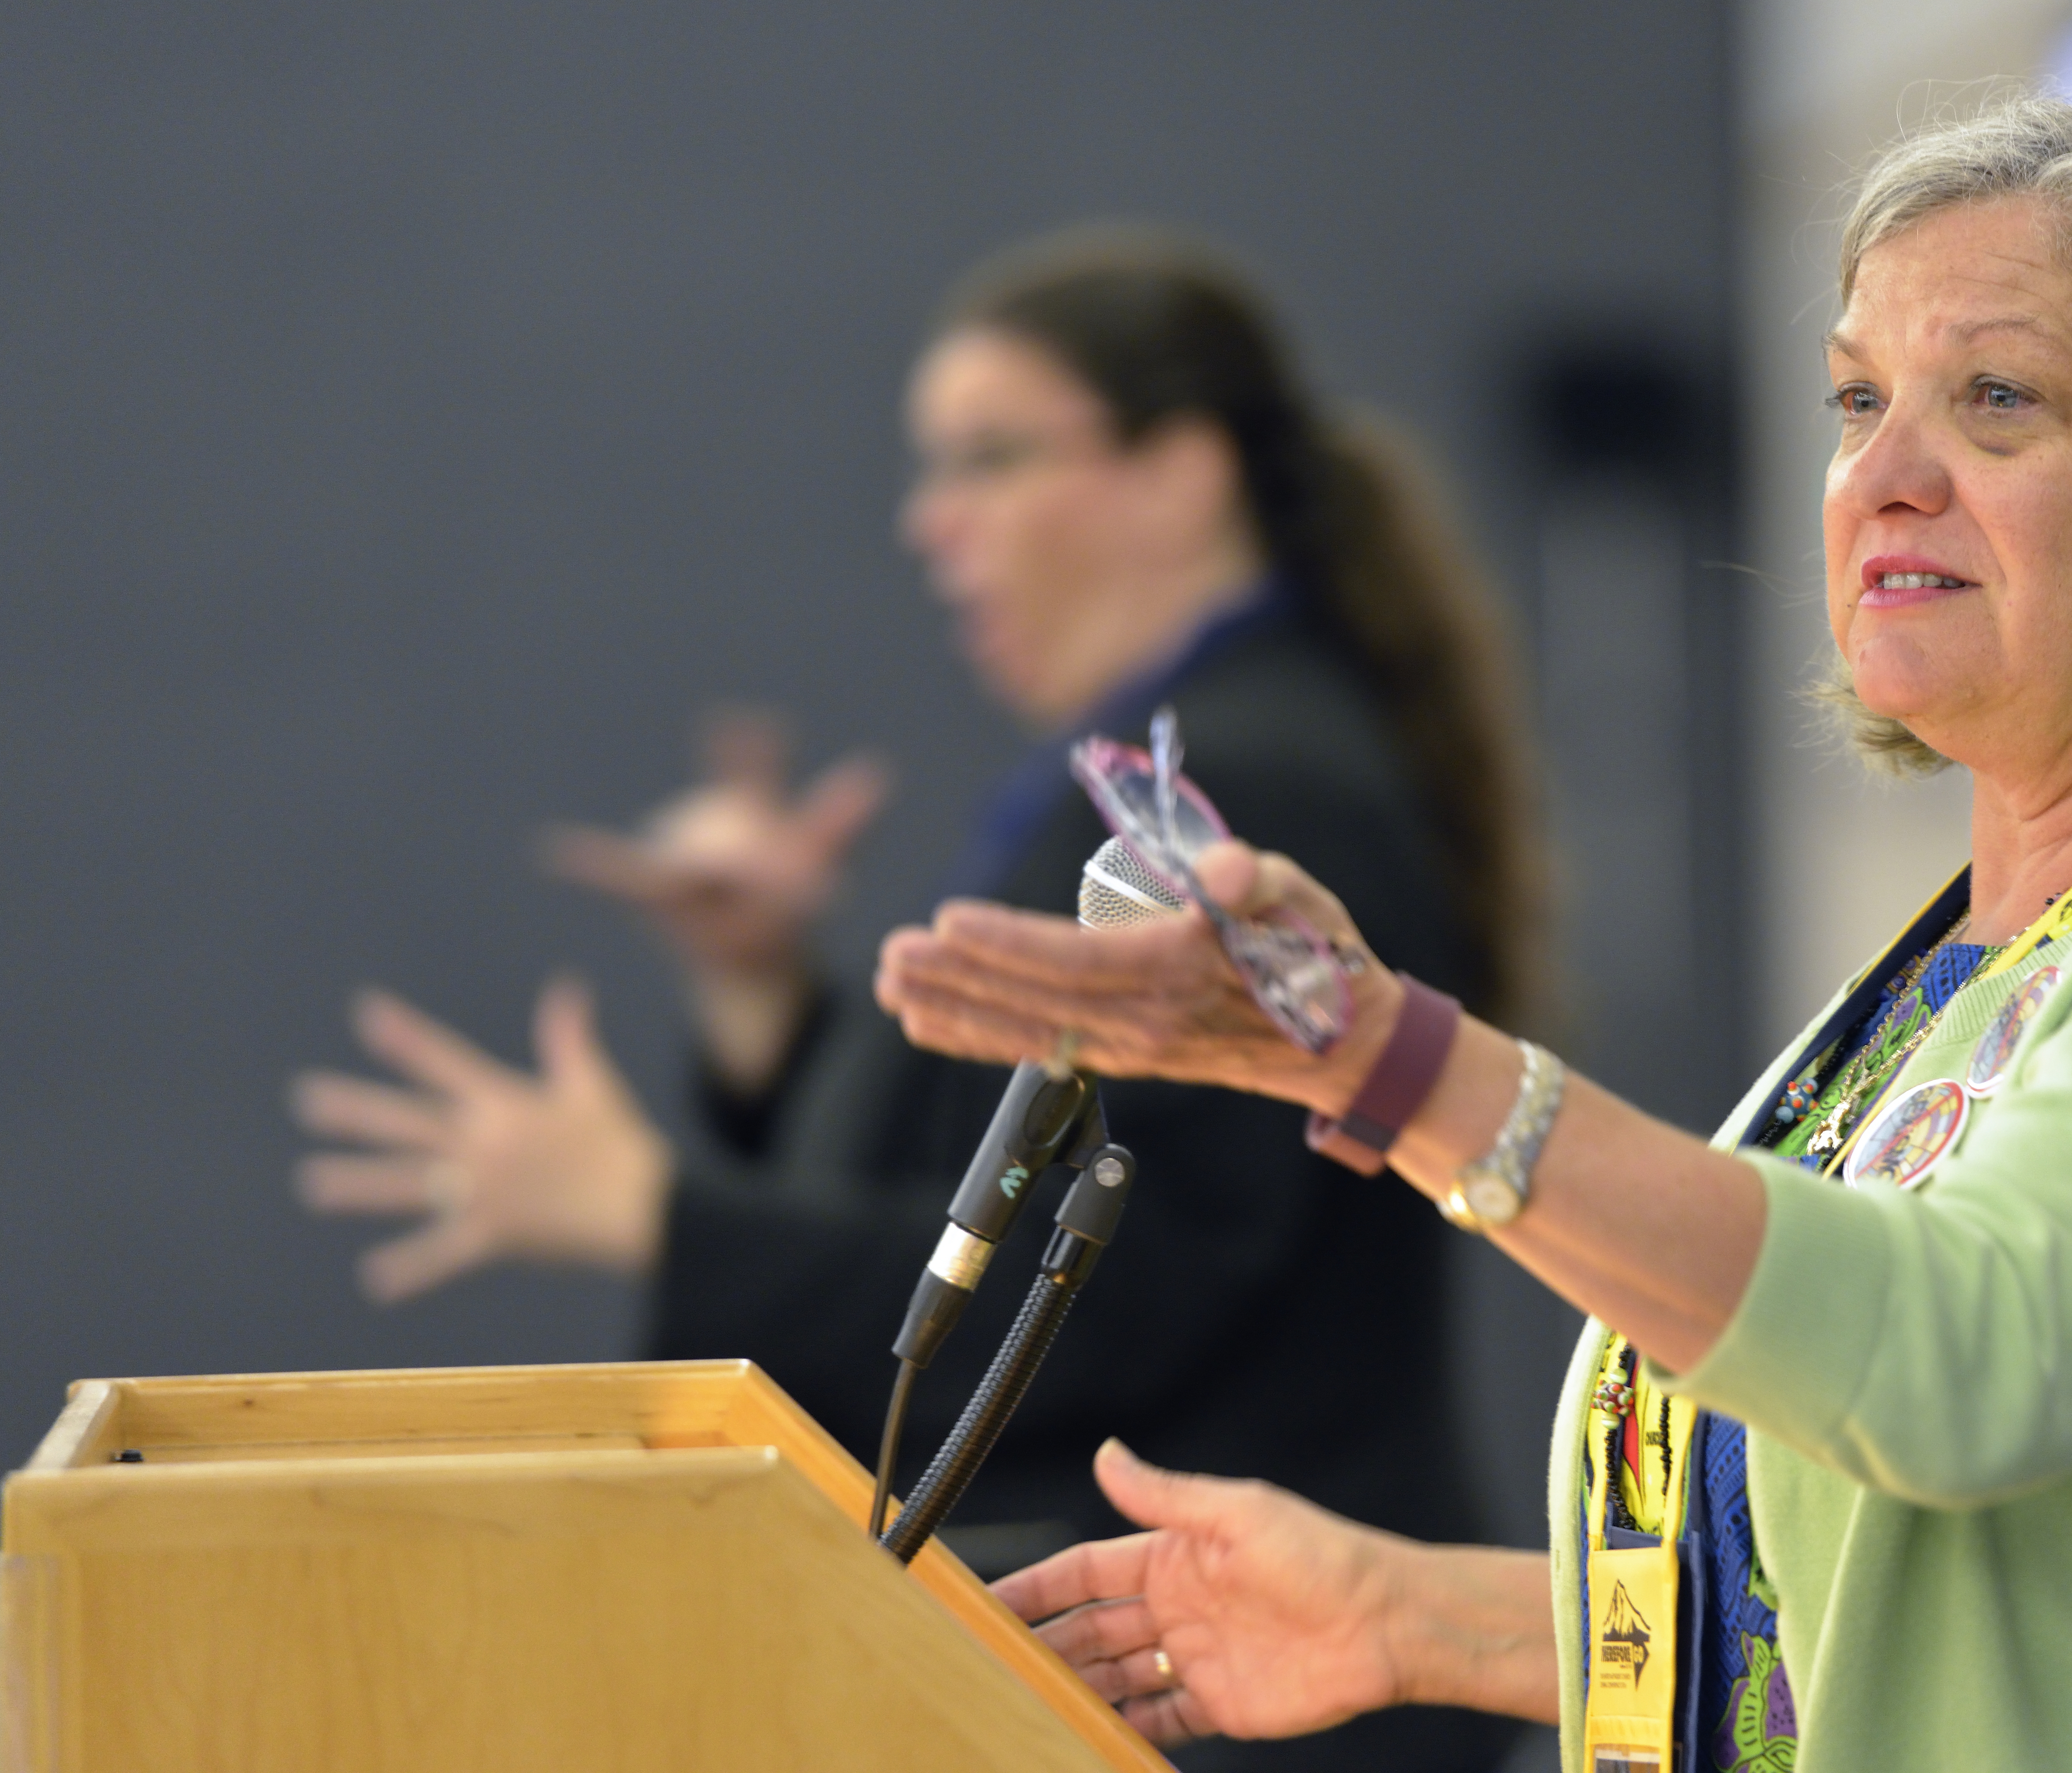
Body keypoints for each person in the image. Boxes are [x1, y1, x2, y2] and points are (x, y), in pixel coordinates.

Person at [872, 97, 2072, 1773]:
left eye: (1995, 400)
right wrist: (1405, 1618)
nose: (1884, 477)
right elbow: (1855, 1589)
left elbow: (1951, 1364)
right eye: (1854, 400)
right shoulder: (1934, 983)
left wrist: (1407, 1064)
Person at [291, 231, 1544, 1773]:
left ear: (1179, 470)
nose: (931, 522)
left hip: (1251, 1687)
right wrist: (768, 1006)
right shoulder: (1162, 768)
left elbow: (1104, 1287)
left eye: (990, 459)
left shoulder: (1241, 790)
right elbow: (991, 1175)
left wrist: (651, 1213)